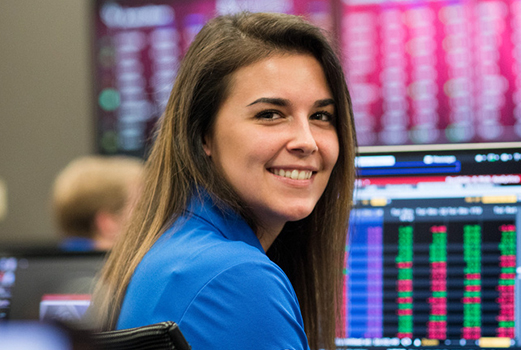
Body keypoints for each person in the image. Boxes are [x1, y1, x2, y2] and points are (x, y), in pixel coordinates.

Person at [87, 12, 356, 350]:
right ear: (203, 135)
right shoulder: (236, 279)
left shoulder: (173, 249)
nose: (307, 141)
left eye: (321, 116)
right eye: (270, 114)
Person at [52, 155, 144, 251]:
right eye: (141, 206)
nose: (151, 213)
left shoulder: (50, 262)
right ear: (108, 223)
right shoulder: (144, 264)